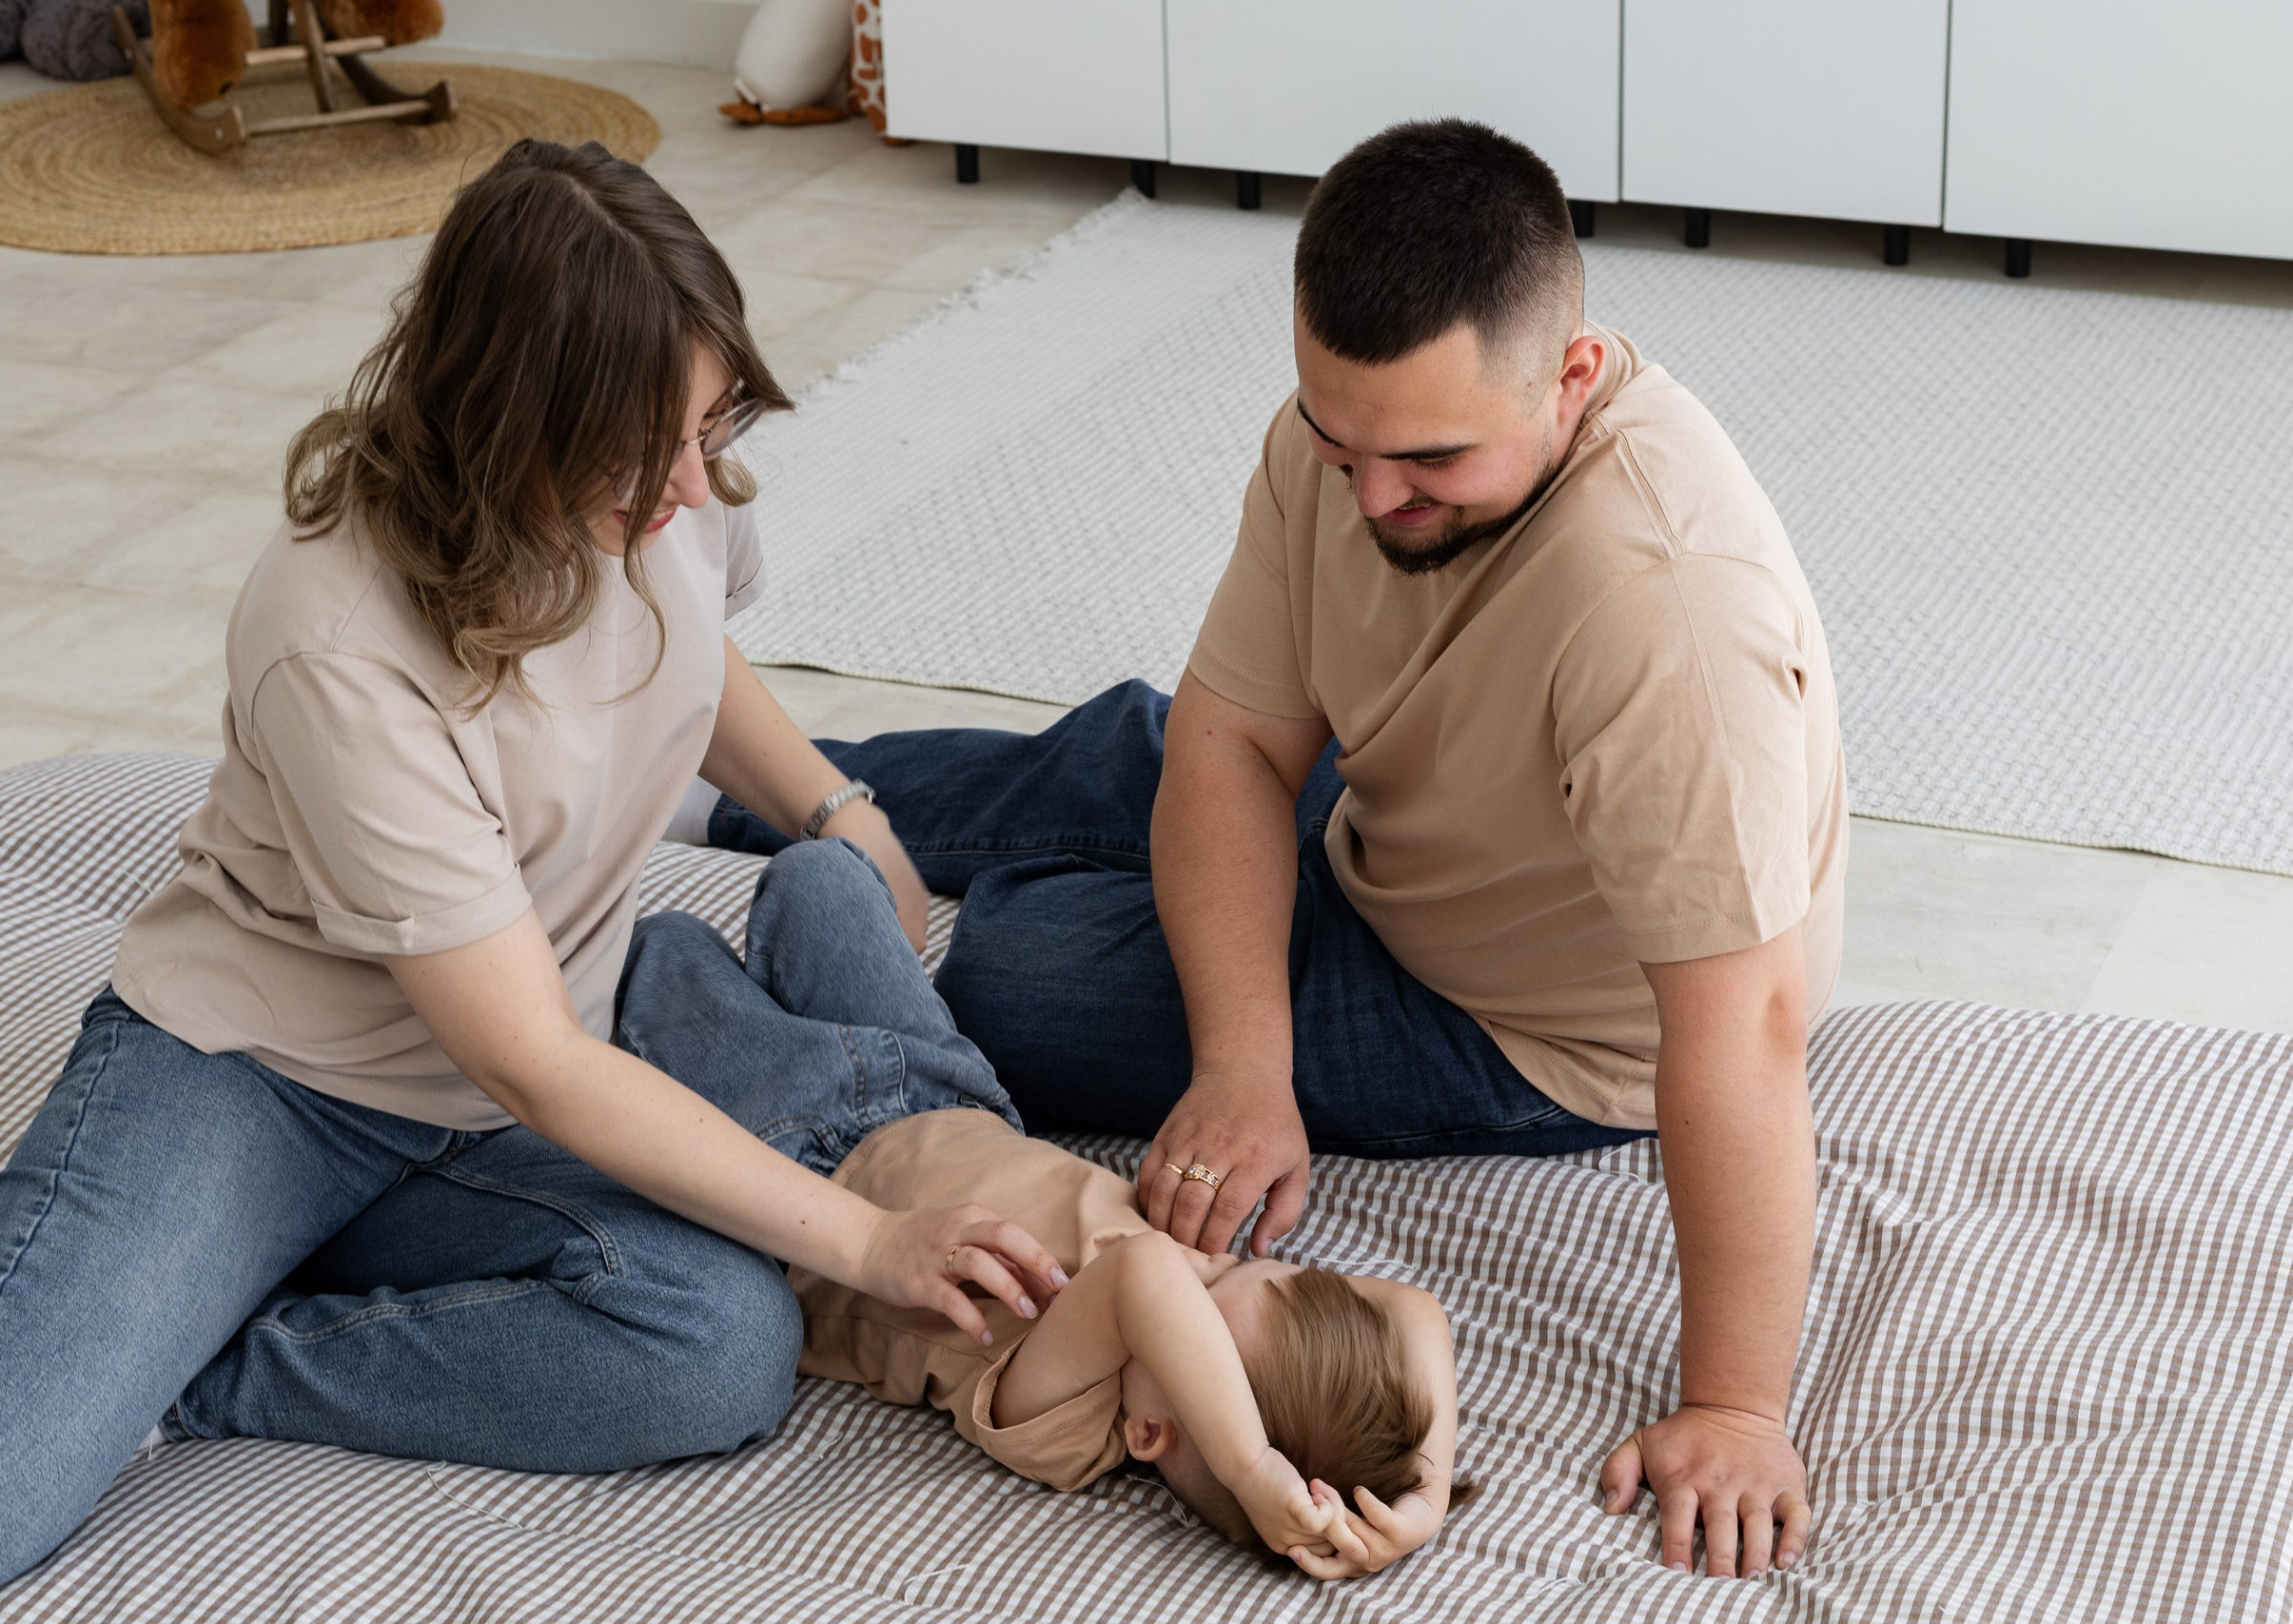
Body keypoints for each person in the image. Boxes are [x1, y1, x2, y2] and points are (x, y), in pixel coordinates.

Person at [0, 140, 1068, 1618]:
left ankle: (207, 1360)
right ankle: (98, 1331)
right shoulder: (333, 627)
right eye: (650, 452)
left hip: (489, 1104)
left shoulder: (670, 489)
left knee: (716, 1343)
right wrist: (880, 1240)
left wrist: (842, 809)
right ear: (509, 422)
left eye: (712, 425)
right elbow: (539, 1058)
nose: (696, 485)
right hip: (266, 1078)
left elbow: (694, 643)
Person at [708, 119, 1842, 1582]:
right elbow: (1238, 743)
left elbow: (1741, 1025)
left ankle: (831, 828)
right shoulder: (1359, 445)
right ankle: (734, 786)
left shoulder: (1668, 612)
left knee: (1020, 961)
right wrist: (1244, 1068)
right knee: (1155, 736)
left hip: (1526, 1018)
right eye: (1339, 442)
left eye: (1430, 461)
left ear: (1571, 379)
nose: (1371, 502)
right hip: (1401, 819)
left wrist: (1737, 1405)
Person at [785, 1108, 1473, 1575]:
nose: (1201, 1257)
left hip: (811, 1174)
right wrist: (1426, 1496)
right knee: (826, 896)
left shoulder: (1070, 1425)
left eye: (1204, 1289)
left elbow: (1145, 1274)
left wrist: (1250, 1464)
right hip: (950, 1096)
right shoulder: (1168, 1359)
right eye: (1238, 1267)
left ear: (1151, 1430)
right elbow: (1414, 1308)